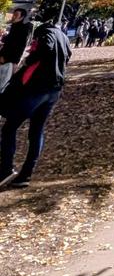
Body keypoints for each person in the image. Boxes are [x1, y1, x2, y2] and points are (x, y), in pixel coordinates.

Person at [0, 13, 71, 187]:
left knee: (10, 127)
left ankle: (6, 169)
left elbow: (45, 48)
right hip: (54, 89)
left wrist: (28, 60)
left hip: (37, 89)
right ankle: (26, 174)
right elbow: (68, 55)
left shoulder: (45, 32)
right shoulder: (63, 36)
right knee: (36, 130)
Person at [0, 8, 32, 93]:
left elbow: (20, 47)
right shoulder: (14, 26)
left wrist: (14, 61)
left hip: (10, 60)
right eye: (13, 14)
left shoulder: (23, 29)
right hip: (4, 58)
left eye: (16, 15)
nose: (13, 16)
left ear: (22, 17)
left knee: (3, 82)